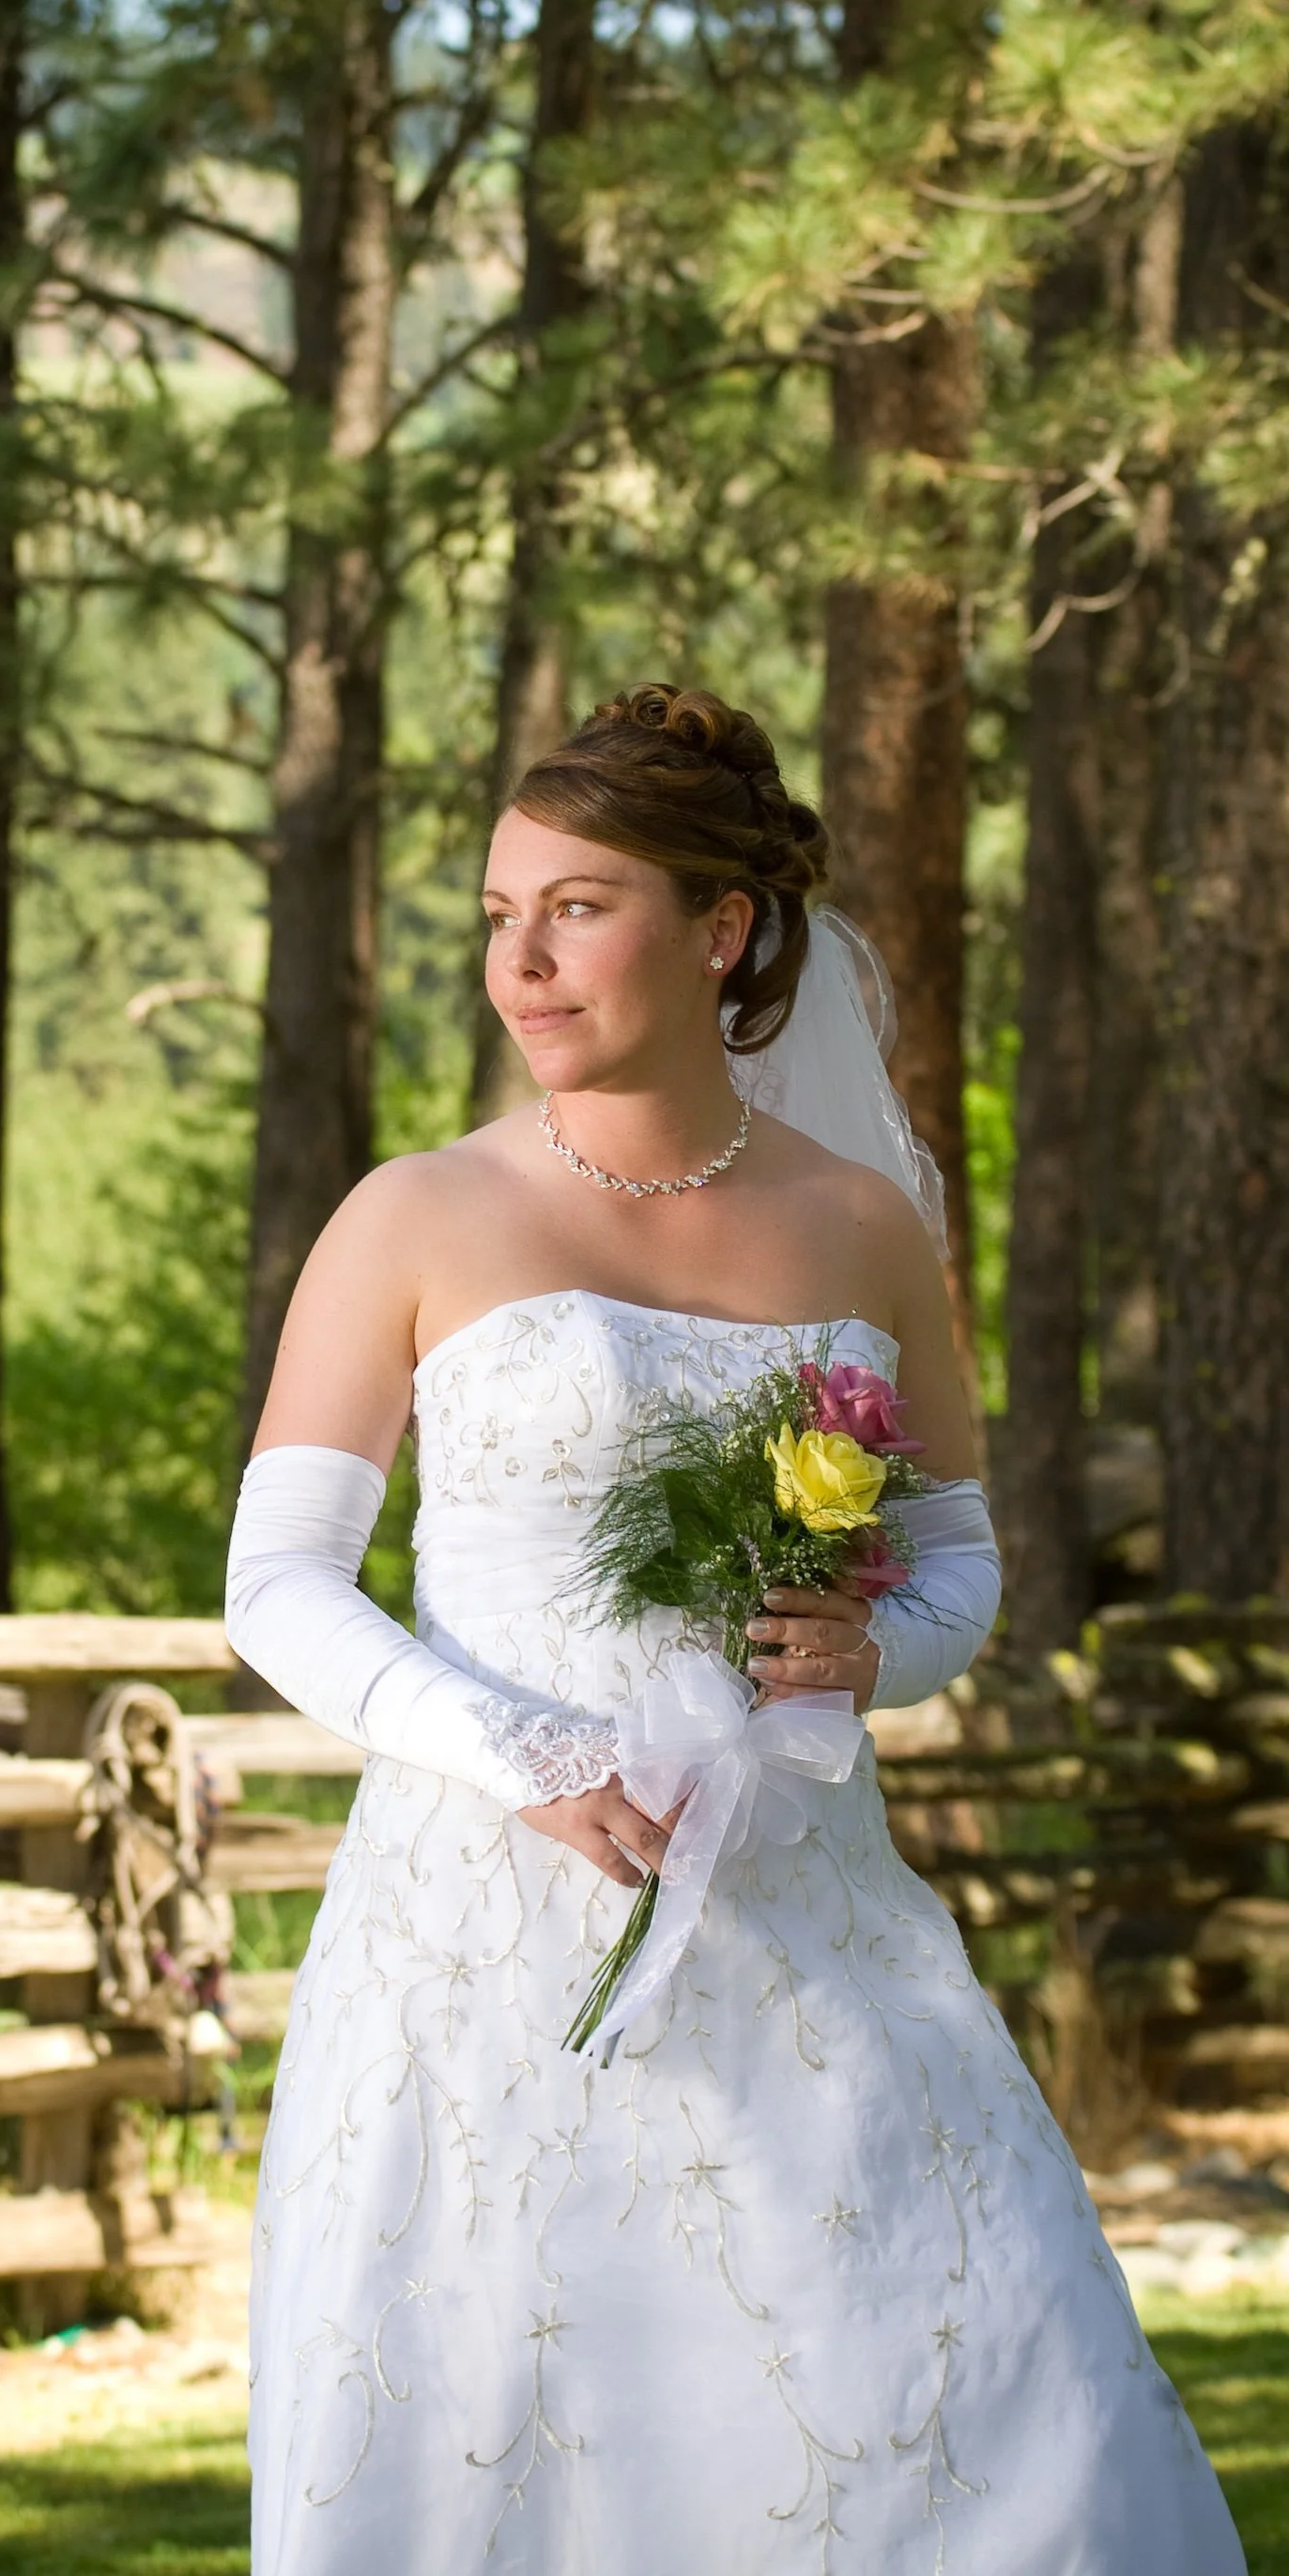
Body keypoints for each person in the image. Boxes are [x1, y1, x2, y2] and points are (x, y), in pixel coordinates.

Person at [225, 685, 1245, 2575]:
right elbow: (275, 1579)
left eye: (577, 906)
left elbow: (954, 1566)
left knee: (961, 2401)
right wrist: (521, 1757)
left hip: (807, 1916)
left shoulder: (860, 1224)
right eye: (496, 913)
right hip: (487, 1936)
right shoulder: (418, 1211)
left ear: (720, 928)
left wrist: (874, 1657)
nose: (521, 960)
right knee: (519, 2428)